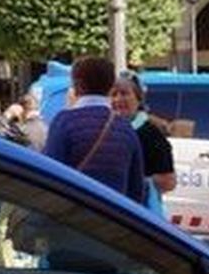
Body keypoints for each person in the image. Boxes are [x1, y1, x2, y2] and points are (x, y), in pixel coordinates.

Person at [44, 55, 145, 204]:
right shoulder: (125, 129)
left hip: (70, 217)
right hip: (113, 218)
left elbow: (50, 175)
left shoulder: (64, 122)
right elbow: (136, 189)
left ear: (77, 85)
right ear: (111, 86)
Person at [110, 70, 176, 215]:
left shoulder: (151, 134)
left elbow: (169, 181)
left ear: (139, 99)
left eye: (124, 93)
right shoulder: (107, 130)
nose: (118, 99)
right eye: (113, 94)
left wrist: (134, 181)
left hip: (141, 216)